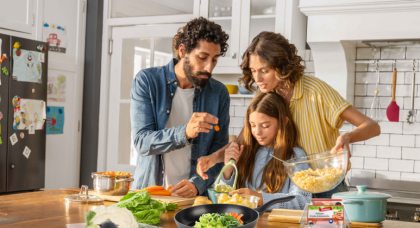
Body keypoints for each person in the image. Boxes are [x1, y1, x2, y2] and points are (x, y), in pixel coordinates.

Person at [197, 31, 381, 198]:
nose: (257, 78)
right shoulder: (265, 95)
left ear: (282, 66)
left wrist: (348, 137)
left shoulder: (316, 91)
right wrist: (213, 158)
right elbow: (241, 142)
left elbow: (372, 126)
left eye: (264, 70)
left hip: (327, 188)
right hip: (294, 190)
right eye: (253, 71)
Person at [130, 17, 230, 197]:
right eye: (202, 58)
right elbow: (141, 142)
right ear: (183, 51)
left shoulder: (218, 93)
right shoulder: (147, 81)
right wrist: (184, 133)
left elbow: (219, 152)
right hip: (150, 195)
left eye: (214, 60)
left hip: (194, 199)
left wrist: (197, 185)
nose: (209, 68)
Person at [219, 92, 311, 210]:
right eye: (252, 125)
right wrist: (228, 169)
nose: (257, 132)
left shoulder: (296, 156)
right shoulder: (244, 151)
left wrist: (259, 198)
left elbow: (302, 201)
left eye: (265, 126)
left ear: (283, 122)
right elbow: (222, 198)